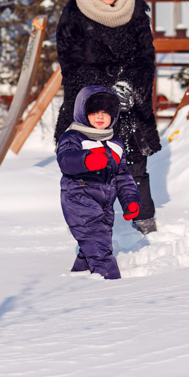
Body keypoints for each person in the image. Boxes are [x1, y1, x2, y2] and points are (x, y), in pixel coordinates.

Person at [55, 0, 162, 234]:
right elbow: (71, 65)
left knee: (135, 165)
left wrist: (131, 88)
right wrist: (106, 93)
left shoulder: (136, 12)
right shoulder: (73, 15)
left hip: (130, 107)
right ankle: (91, 226)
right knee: (90, 168)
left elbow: (145, 59)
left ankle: (144, 222)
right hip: (90, 110)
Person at [56, 85, 141, 279]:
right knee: (98, 243)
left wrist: (130, 201)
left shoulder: (115, 143)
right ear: (83, 113)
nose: (100, 117)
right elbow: (65, 160)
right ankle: (109, 281)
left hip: (105, 203)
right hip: (79, 198)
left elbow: (122, 176)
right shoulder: (73, 136)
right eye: (94, 112)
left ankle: (81, 273)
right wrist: (87, 160)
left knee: (96, 242)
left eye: (105, 112)